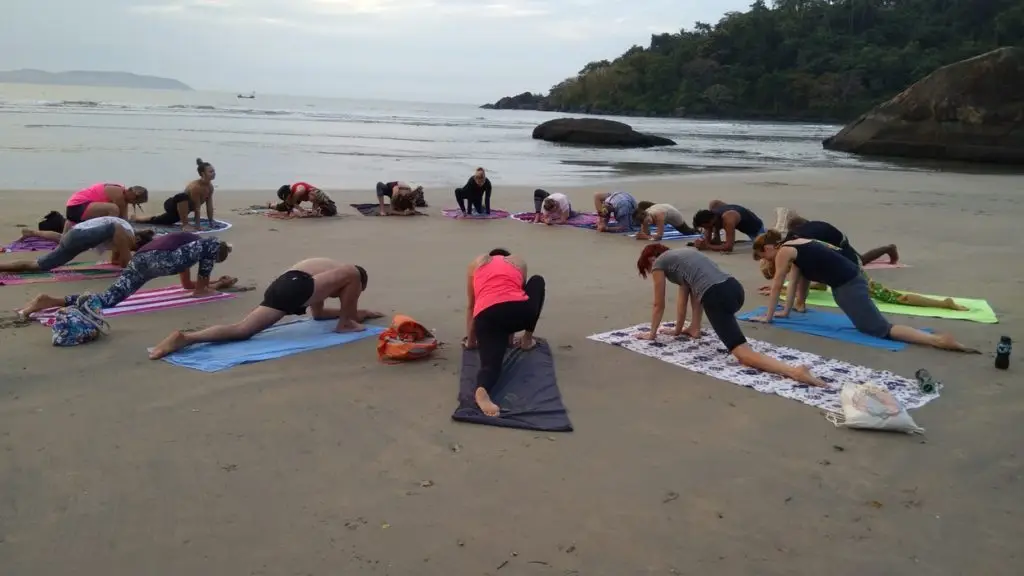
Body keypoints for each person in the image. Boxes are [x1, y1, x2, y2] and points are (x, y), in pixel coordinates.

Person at [635, 243, 826, 387]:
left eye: (649, 268)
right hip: (734, 289)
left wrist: (652, 334)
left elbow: (658, 303)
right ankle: (694, 329)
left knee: (742, 354)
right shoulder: (684, 255)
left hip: (716, 296)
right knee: (701, 294)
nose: (652, 271)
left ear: (652, 258)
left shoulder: (660, 263)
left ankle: (794, 371)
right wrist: (679, 329)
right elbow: (686, 296)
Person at [751, 232, 978, 352]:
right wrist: (785, 311)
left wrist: (768, 317)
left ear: (768, 248)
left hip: (848, 285)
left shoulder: (783, 252)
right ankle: (934, 339)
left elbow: (778, 284)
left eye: (763, 256)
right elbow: (795, 282)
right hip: (851, 279)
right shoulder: (795, 243)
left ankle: (936, 340)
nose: (766, 261)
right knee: (868, 325)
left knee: (879, 330)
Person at [149, 258, 384, 359]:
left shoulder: (321, 278)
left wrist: (359, 313)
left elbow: (319, 314)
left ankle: (186, 338)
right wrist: (350, 317)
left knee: (242, 330)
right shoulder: (345, 273)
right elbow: (351, 282)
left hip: (283, 287)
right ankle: (345, 325)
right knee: (354, 271)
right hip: (295, 285)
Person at [18, 232, 236, 318]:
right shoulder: (209, 245)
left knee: (108, 299)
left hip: (141, 259)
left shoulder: (187, 248)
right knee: (211, 247)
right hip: (160, 260)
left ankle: (48, 301)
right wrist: (218, 286)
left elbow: (188, 285)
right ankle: (51, 302)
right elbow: (199, 292)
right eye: (216, 261)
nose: (210, 264)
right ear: (219, 253)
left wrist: (215, 281)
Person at [755, 227, 966, 311]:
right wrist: (787, 294)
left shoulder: (788, 249)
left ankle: (943, 303)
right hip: (840, 256)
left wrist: (781, 291)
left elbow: (797, 278)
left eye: (764, 259)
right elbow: (801, 277)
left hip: (847, 263)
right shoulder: (793, 238)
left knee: (888, 296)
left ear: (768, 248)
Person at [463, 248, 545, 417]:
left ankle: (482, 390)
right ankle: (527, 341)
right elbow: (517, 292)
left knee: (490, 366)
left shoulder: (476, 263)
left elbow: (472, 306)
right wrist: (510, 340)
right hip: (519, 313)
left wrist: (471, 342)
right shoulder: (517, 261)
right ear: (506, 256)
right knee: (537, 281)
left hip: (487, 317)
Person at [0, 217, 155, 273]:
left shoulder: (123, 236)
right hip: (79, 235)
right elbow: (116, 229)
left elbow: (117, 261)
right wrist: (130, 263)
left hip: (74, 240)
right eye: (135, 249)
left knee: (38, 265)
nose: (130, 249)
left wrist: (124, 259)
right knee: (115, 228)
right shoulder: (125, 231)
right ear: (138, 240)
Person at [773, 208, 899, 266]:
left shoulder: (804, 237)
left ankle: (889, 248)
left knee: (860, 261)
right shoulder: (797, 235)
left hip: (839, 242)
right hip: (831, 237)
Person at [132, 159, 217, 231]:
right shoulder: (196, 187)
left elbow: (209, 205)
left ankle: (136, 218)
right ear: (202, 174)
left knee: (161, 220)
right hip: (172, 205)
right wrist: (197, 226)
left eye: (214, 171)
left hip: (182, 211)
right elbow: (197, 208)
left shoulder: (210, 187)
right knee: (183, 196)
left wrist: (211, 221)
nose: (214, 173)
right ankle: (185, 225)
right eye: (211, 172)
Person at [63, 183, 148, 232]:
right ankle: (105, 235)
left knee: (112, 211)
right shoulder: (119, 195)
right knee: (113, 209)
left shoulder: (122, 192)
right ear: (130, 192)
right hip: (77, 207)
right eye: (136, 201)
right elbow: (123, 221)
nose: (134, 203)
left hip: (75, 208)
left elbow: (124, 220)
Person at [691, 200, 765, 253]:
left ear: (712, 220)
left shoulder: (728, 220)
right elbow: (709, 235)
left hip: (755, 230)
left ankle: (766, 233)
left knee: (762, 245)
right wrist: (702, 242)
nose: (706, 229)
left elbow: (729, 247)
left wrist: (707, 246)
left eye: (706, 227)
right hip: (741, 215)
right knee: (713, 203)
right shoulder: (713, 213)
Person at [272, 182, 338, 217]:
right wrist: (301, 210)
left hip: (316, 196)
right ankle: (272, 205)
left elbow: (316, 200)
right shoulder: (290, 196)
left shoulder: (300, 191)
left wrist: (314, 211)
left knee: (331, 211)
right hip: (299, 197)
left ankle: (320, 209)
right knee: (283, 207)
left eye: (287, 198)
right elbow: (292, 203)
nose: (287, 199)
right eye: (286, 199)